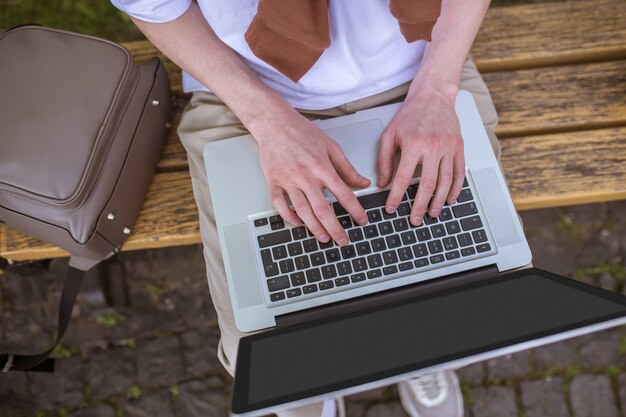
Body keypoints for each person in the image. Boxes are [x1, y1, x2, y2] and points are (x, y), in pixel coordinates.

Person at [112, 1, 496, 416]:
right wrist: (270, 122)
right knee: (270, 359)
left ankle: (423, 355)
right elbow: (152, 5)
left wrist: (437, 90)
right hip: (245, 91)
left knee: (459, 287)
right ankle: (312, 397)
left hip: (421, 66)